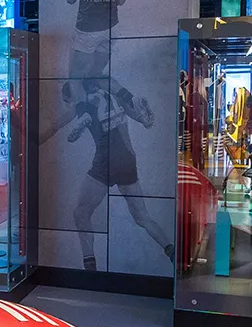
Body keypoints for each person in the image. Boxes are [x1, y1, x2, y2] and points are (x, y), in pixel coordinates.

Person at [41, 77, 174, 272]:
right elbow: (137, 116)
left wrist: (34, 138)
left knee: (81, 212)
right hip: (128, 161)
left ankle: (90, 267)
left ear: (75, 94)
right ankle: (171, 251)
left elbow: (55, 126)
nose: (68, 104)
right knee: (142, 216)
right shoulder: (115, 97)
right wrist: (144, 118)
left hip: (106, 162)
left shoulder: (83, 104)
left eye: (67, 100)